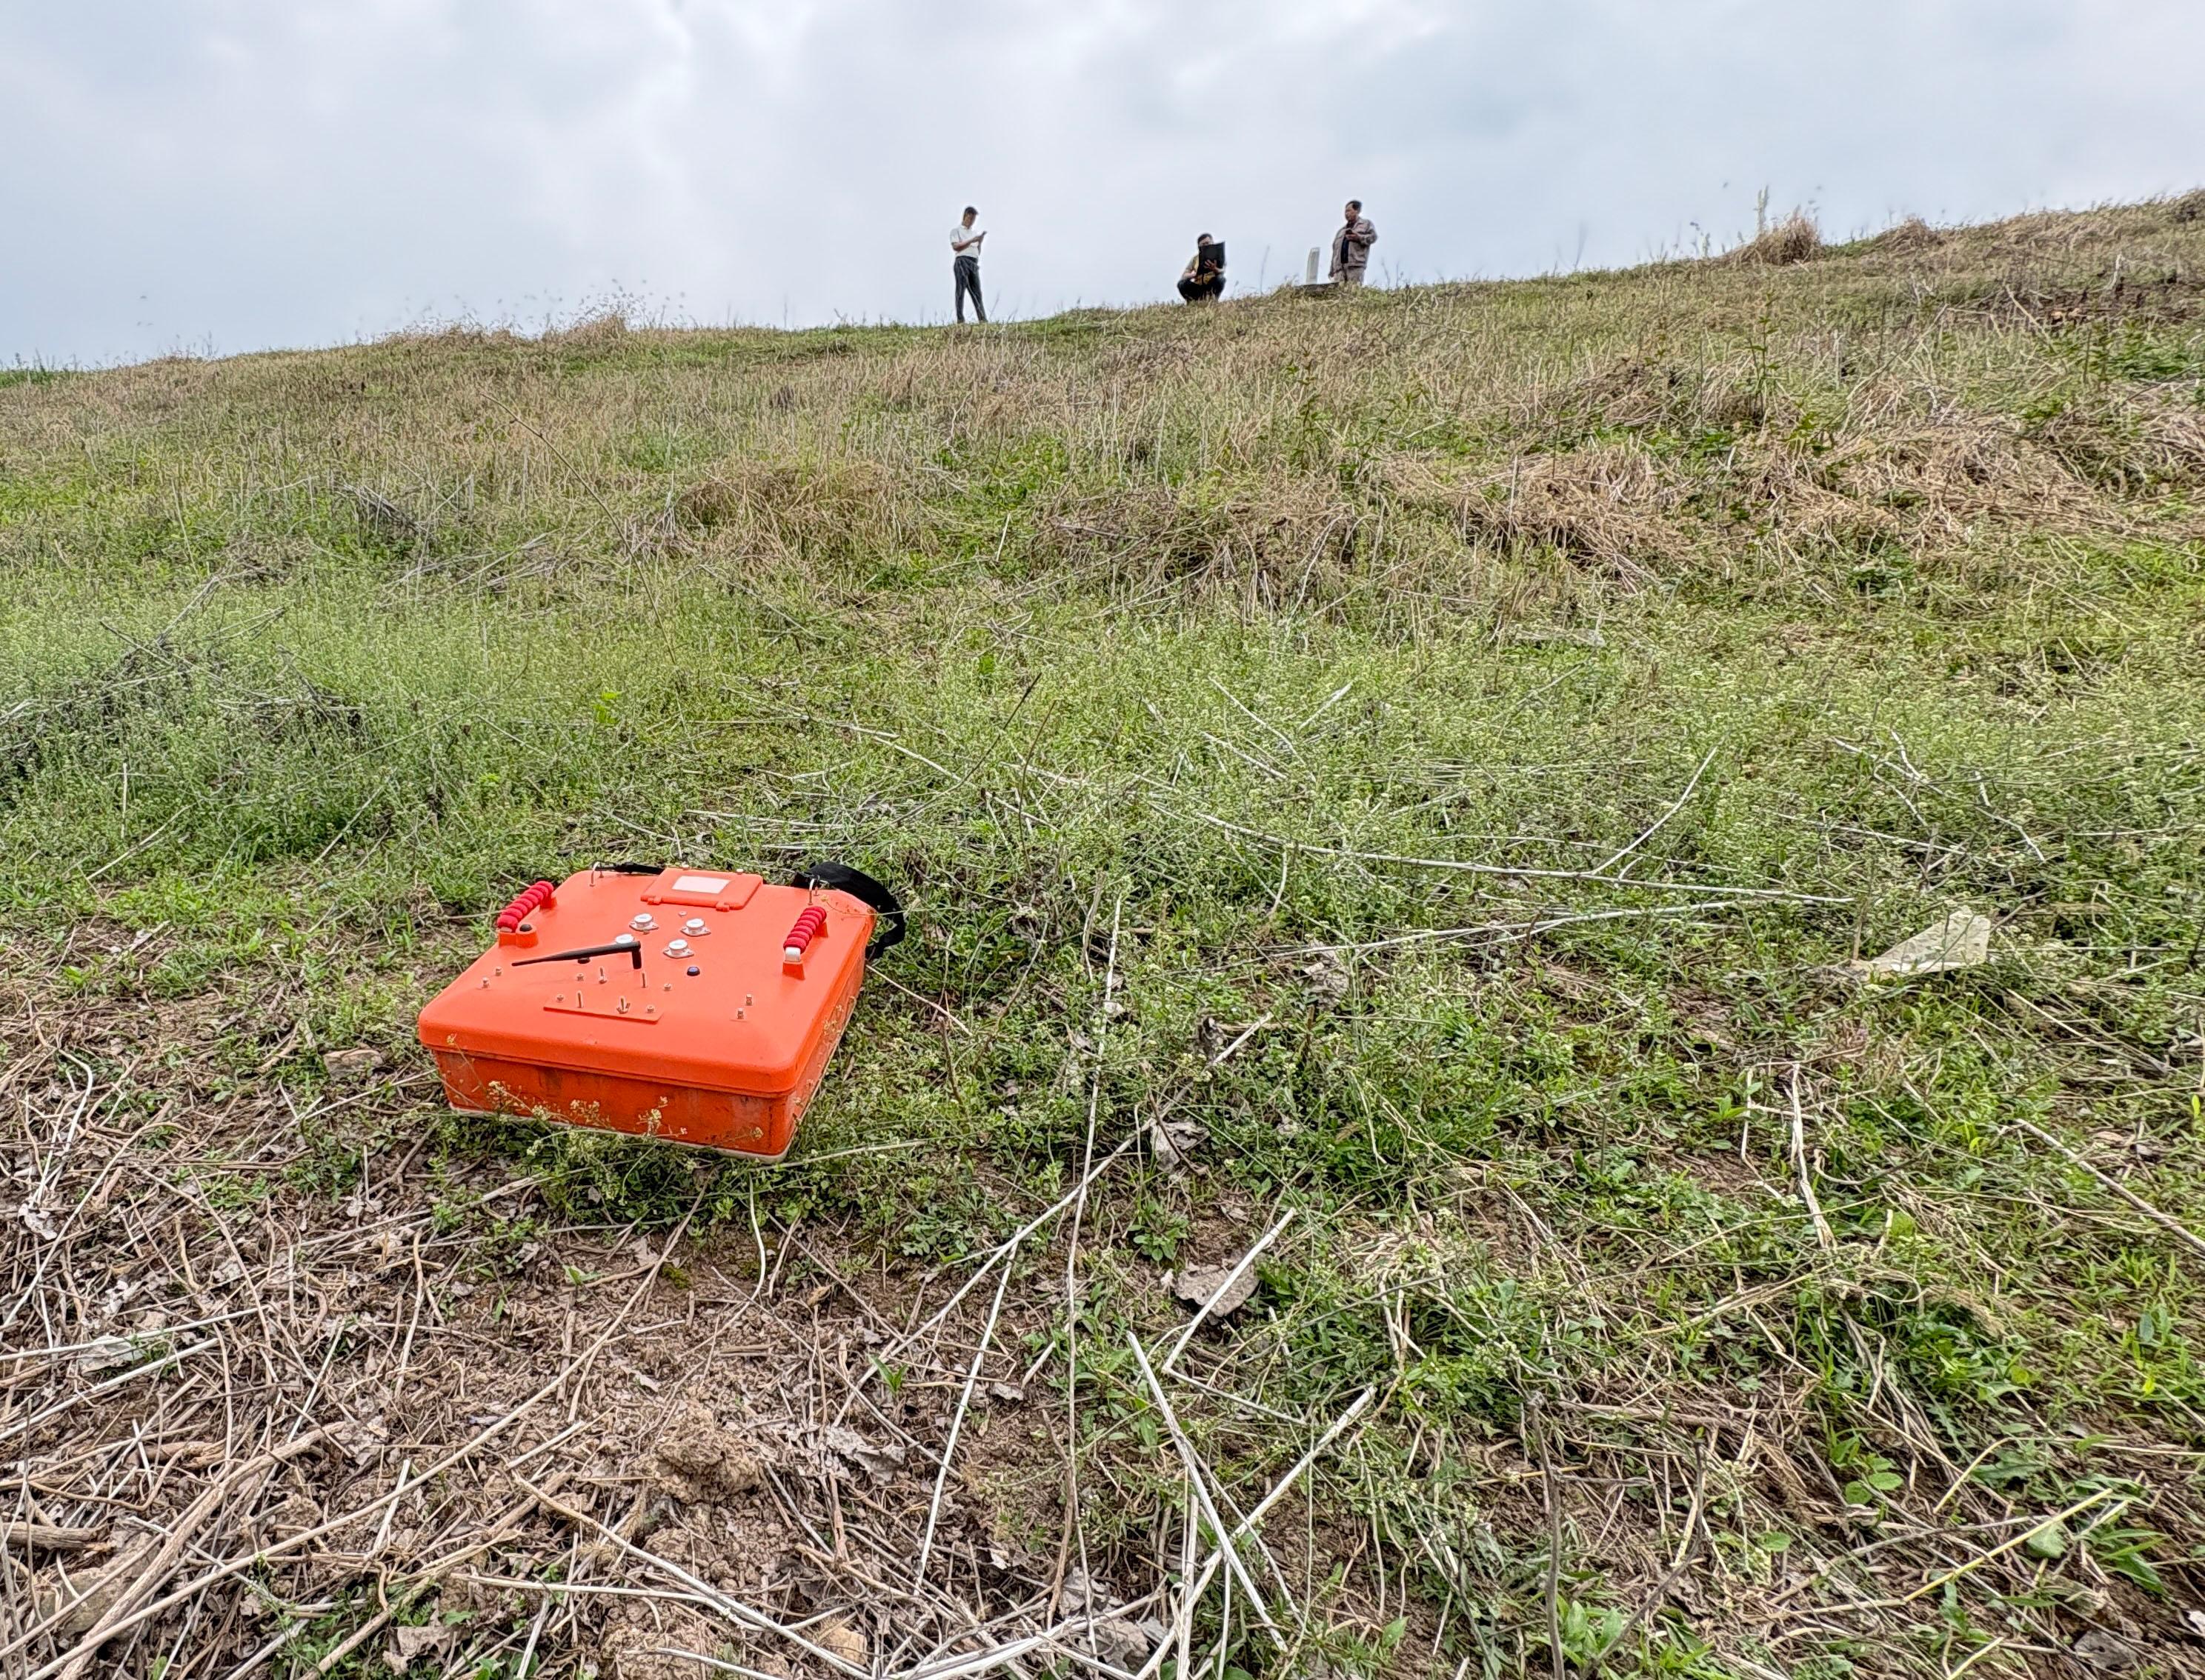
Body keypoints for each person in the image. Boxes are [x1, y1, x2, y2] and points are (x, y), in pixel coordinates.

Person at [1329, 200, 1377, 289]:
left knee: (1354, 291)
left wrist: (1359, 238)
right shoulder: (1341, 231)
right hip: (1339, 270)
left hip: (1355, 266)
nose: (1346, 214)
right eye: (1345, 211)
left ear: (1357, 211)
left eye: (1349, 211)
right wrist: (1332, 269)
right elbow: (1334, 251)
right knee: (1338, 293)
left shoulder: (1366, 224)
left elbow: (1373, 237)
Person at [951, 207, 987, 323]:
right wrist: (971, 241)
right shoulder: (956, 231)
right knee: (960, 290)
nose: (971, 221)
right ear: (965, 216)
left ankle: (983, 319)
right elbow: (956, 247)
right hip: (962, 261)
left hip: (973, 262)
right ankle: (960, 320)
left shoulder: (974, 233)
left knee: (977, 292)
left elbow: (977, 252)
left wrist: (979, 242)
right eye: (970, 218)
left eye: (973, 219)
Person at [1177, 235, 1226, 302]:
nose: (1206, 245)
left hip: (1211, 284)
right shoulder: (1195, 259)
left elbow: (1222, 270)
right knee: (1181, 284)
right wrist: (1194, 275)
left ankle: (1212, 300)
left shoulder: (1219, 256)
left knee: (1221, 279)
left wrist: (1215, 269)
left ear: (1212, 243)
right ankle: (1193, 301)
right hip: (1198, 286)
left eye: (1208, 243)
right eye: (1203, 244)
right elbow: (1184, 275)